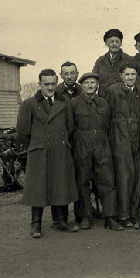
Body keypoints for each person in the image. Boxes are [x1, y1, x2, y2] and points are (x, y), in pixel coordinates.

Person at [16, 69, 79, 238]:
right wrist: (37, 143)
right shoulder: (29, 104)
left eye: (53, 83)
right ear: (40, 84)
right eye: (46, 84)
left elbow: (70, 127)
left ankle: (61, 221)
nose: (50, 87)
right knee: (38, 188)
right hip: (39, 152)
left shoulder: (64, 102)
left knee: (61, 185)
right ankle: (35, 225)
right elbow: (22, 131)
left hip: (60, 150)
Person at [69, 72, 123, 231]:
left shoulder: (104, 103)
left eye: (93, 83)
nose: (90, 86)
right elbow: (71, 127)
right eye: (86, 83)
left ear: (97, 85)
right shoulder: (74, 103)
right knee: (82, 180)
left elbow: (107, 125)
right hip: (82, 143)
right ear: (81, 85)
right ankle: (85, 216)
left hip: (101, 143)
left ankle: (110, 217)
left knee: (107, 180)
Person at [104, 64, 140, 228]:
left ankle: (134, 214)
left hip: (137, 133)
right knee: (124, 176)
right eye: (127, 74)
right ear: (120, 76)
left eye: (133, 74)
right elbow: (107, 117)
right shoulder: (112, 91)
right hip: (119, 134)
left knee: (138, 176)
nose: (130, 77)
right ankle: (123, 215)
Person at [53, 61, 82, 231]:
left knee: (79, 177)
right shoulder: (55, 92)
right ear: (61, 75)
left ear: (77, 74)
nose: (70, 76)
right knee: (60, 180)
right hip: (62, 141)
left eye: (73, 73)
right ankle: (60, 218)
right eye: (66, 73)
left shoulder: (82, 89)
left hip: (79, 140)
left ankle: (81, 215)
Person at [93, 29, 132, 97]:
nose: (114, 44)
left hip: (122, 99)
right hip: (104, 100)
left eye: (117, 41)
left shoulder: (128, 60)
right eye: (112, 42)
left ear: (121, 43)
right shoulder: (100, 61)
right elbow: (93, 80)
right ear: (106, 44)